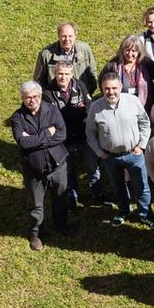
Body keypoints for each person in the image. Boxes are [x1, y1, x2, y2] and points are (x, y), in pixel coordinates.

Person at [86, 71, 154, 228]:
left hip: (134, 154)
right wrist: (100, 153)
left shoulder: (132, 101)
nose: (111, 92)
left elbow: (145, 123)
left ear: (120, 87)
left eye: (114, 88)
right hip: (110, 157)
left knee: (142, 186)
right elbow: (90, 133)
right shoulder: (96, 107)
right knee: (118, 186)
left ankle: (145, 214)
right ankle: (124, 210)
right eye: (107, 89)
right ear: (103, 89)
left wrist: (142, 145)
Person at [12, 81, 69, 250]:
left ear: (41, 94)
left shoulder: (52, 110)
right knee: (36, 205)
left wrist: (34, 139)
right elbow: (23, 142)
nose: (32, 100)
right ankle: (36, 234)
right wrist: (47, 133)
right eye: (28, 97)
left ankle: (61, 225)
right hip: (33, 170)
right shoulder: (17, 117)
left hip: (57, 165)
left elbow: (62, 134)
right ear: (22, 98)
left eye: (35, 96)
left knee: (60, 197)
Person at [42, 60, 98, 207]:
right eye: (60, 73)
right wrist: (75, 113)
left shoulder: (80, 86)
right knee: (69, 171)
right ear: (55, 73)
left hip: (83, 135)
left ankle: (97, 194)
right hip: (63, 140)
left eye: (67, 74)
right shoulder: (47, 93)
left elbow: (89, 108)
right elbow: (52, 119)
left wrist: (71, 115)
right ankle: (72, 199)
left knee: (92, 167)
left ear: (72, 74)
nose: (63, 77)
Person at [34, 21, 98, 95]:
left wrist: (86, 94)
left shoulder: (85, 49)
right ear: (58, 36)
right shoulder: (46, 55)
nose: (67, 39)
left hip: (81, 98)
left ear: (75, 36)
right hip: (55, 100)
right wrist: (49, 98)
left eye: (70, 36)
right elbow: (38, 81)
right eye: (63, 36)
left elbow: (93, 74)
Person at [103, 35, 154, 112]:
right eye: (127, 50)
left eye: (133, 51)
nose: (130, 54)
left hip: (144, 106)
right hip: (120, 107)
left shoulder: (146, 63)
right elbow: (102, 80)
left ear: (139, 51)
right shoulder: (114, 65)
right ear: (122, 50)